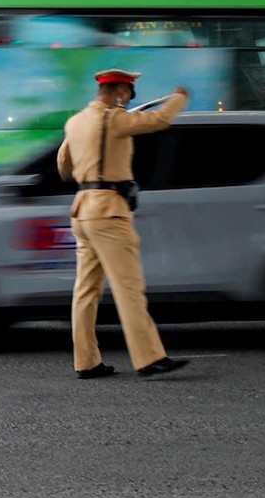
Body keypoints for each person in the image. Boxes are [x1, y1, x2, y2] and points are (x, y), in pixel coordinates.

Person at [57, 70, 189, 381]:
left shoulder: (75, 122)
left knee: (85, 291)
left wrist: (90, 168)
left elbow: (63, 166)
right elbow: (158, 121)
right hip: (108, 212)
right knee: (128, 287)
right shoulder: (114, 120)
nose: (130, 100)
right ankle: (149, 358)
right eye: (129, 94)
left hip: (82, 211)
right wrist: (179, 98)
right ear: (119, 92)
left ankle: (86, 362)